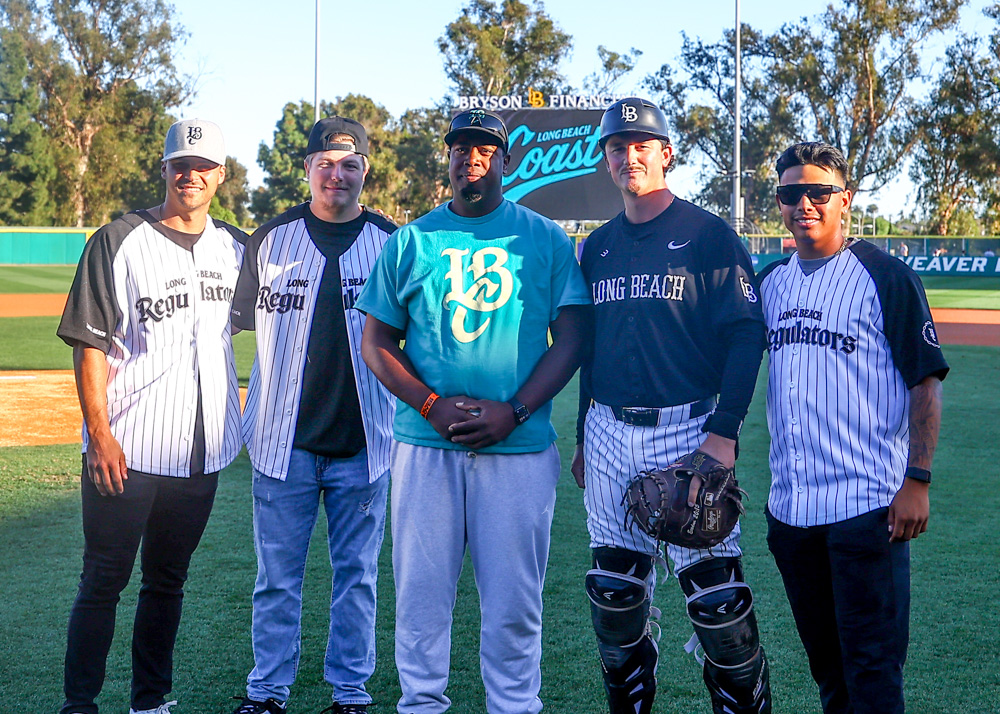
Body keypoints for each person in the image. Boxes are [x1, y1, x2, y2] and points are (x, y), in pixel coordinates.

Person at [355, 108, 590, 714]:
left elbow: (570, 339)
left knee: (514, 603)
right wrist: (430, 405)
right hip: (425, 445)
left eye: (486, 150)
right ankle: (421, 705)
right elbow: (376, 343)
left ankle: (514, 705)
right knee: (420, 598)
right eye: (462, 148)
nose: (472, 159)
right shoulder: (411, 241)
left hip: (519, 448)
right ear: (449, 157)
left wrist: (515, 410)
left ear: (506, 161)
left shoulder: (544, 238)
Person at [571, 98, 771, 714]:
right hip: (607, 430)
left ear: (666, 154)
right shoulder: (597, 246)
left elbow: (746, 334)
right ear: (606, 159)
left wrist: (723, 432)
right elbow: (591, 350)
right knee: (614, 594)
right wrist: (581, 437)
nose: (628, 156)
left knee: (719, 604)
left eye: (641, 145)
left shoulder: (709, 235)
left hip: (689, 428)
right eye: (617, 147)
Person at [56, 119, 245, 714]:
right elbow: (89, 345)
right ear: (163, 169)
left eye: (203, 166)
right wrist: (99, 436)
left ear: (220, 175)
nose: (191, 175)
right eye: (180, 164)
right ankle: (79, 704)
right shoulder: (118, 240)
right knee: (103, 580)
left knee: (167, 582)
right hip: (128, 448)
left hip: (202, 452)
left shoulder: (237, 249)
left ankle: (150, 701)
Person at [758, 142, 949, 714]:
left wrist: (917, 479)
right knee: (829, 671)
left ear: (845, 199)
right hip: (791, 513)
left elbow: (925, 383)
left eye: (819, 192)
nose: (805, 204)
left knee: (873, 673)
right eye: (792, 193)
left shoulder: (885, 275)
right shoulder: (770, 283)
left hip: (867, 509)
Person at [228, 117, 397, 714]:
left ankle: (350, 692)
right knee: (276, 580)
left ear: (365, 171)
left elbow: (413, 336)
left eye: (349, 164)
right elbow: (223, 328)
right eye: (325, 163)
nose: (336, 175)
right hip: (282, 444)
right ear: (307, 169)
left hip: (365, 443)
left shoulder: (391, 242)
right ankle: (267, 691)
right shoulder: (270, 240)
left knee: (358, 577)